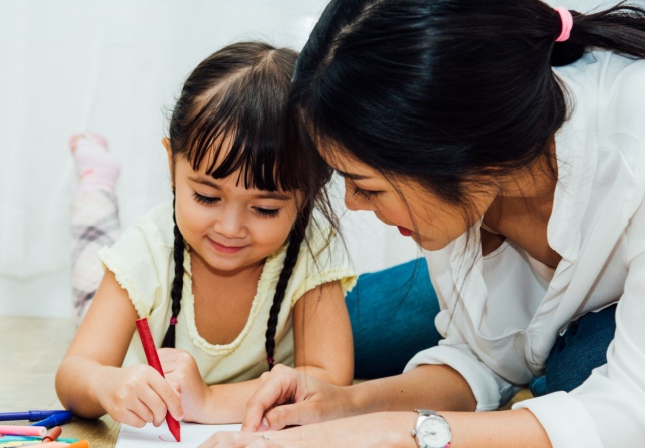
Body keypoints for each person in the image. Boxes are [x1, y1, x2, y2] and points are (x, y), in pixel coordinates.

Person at [202, 1, 645, 447]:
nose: (353, 204)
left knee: (578, 364)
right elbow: (484, 359)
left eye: (367, 186)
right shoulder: (469, 189)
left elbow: (629, 408)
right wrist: (345, 405)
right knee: (328, 324)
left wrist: (402, 432)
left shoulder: (633, 140)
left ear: (456, 152)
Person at [55, 41, 359, 427]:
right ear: (171, 164)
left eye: (265, 209)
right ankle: (95, 181)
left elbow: (329, 381)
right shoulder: (146, 249)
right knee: (89, 273)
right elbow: (74, 372)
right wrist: (104, 382)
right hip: (131, 294)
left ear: (311, 191)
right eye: (206, 196)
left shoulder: (312, 250)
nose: (230, 229)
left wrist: (211, 400)